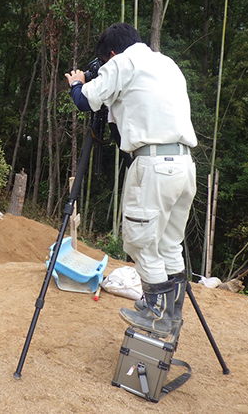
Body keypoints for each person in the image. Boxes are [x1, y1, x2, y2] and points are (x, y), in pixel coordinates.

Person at [64, 23, 197, 337]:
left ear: (111, 53)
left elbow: (84, 101)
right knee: (168, 244)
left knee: (139, 241)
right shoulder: (167, 64)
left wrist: (78, 82)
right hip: (184, 164)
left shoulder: (123, 63)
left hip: (152, 165)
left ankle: (156, 314)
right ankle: (171, 314)